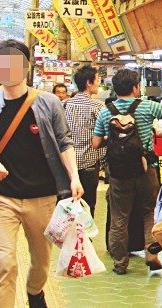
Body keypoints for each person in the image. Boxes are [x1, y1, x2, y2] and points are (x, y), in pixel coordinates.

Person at [0, 39, 83, 308]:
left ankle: (35, 292)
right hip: (2, 198)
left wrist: (74, 176)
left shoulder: (47, 102)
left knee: (41, 262)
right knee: (4, 262)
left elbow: (64, 141)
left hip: (43, 197)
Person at [93, 68, 162, 274]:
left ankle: (120, 263)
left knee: (119, 217)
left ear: (115, 89)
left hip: (118, 173)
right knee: (149, 213)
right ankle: (151, 254)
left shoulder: (105, 111)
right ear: (136, 88)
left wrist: (116, 140)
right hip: (146, 169)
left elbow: (96, 142)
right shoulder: (147, 107)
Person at [63, 65, 105, 216]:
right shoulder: (98, 106)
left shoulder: (65, 104)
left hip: (67, 165)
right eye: (98, 80)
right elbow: (104, 134)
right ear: (89, 82)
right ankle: (84, 239)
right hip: (89, 165)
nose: (99, 83)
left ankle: (69, 238)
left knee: (68, 206)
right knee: (88, 206)